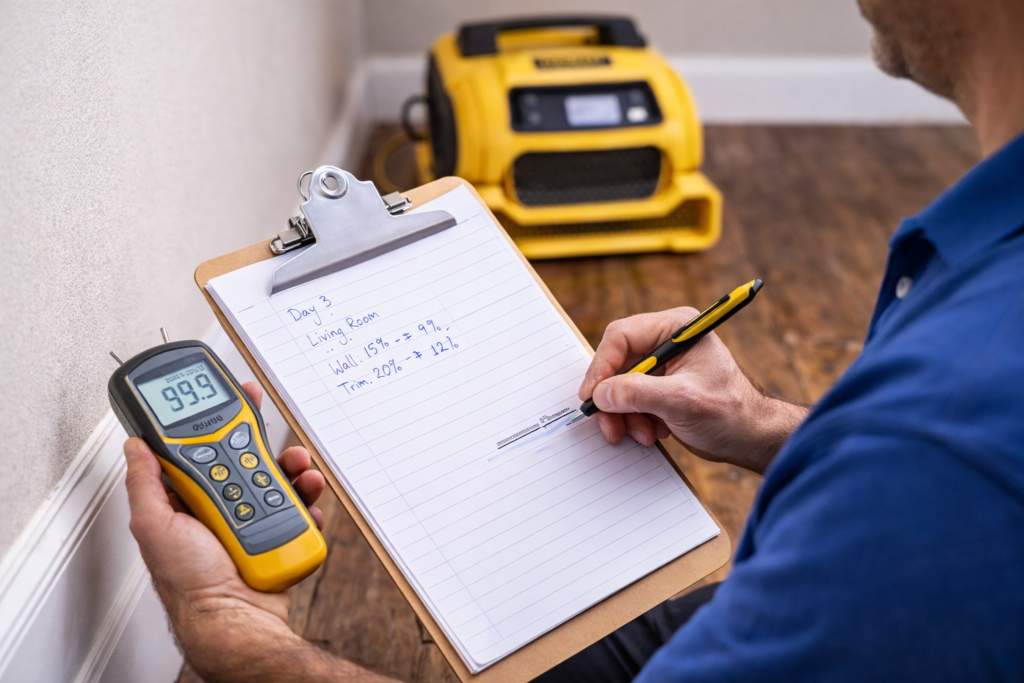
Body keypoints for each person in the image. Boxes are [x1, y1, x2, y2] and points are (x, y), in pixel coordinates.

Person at [123, 0, 1024, 680]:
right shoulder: (957, 392)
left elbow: (947, 480)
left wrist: (228, 630)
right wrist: (762, 424)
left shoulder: (932, 454)